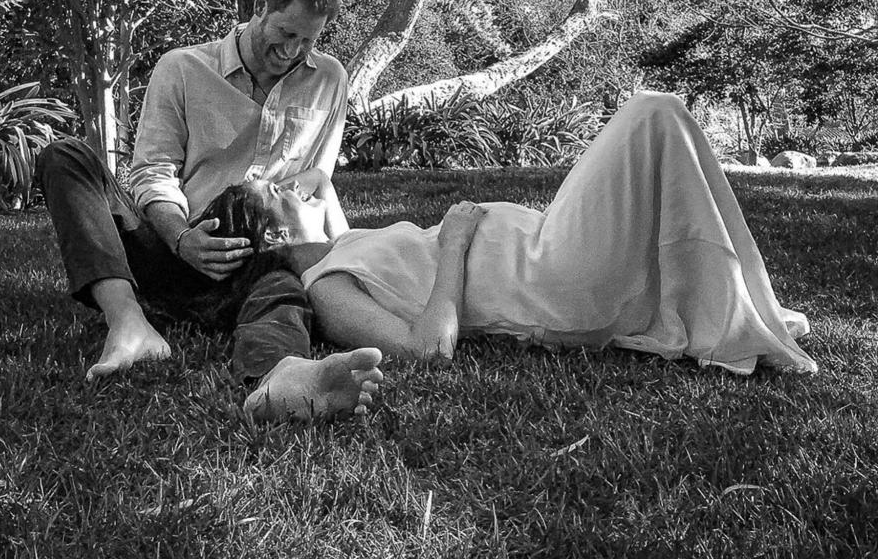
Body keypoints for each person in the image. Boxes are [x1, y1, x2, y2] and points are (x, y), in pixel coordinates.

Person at [211, 92, 818, 376]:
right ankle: (742, 313)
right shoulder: (326, 289)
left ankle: (738, 305)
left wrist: (306, 187)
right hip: (553, 275)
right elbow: (427, 350)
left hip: (549, 242)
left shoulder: (340, 243)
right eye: (277, 193)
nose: (294, 186)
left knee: (661, 142)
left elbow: (322, 185)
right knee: (653, 115)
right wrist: (452, 242)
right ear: (270, 241)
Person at [36, 0, 383, 422]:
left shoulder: (329, 79)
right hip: (174, 248)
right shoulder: (182, 68)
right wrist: (181, 238)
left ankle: (282, 375)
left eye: (308, 40)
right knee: (66, 156)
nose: (294, 50)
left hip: (259, 262)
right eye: (286, 33)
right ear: (260, 6)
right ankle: (129, 323)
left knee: (278, 284)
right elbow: (152, 172)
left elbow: (313, 184)